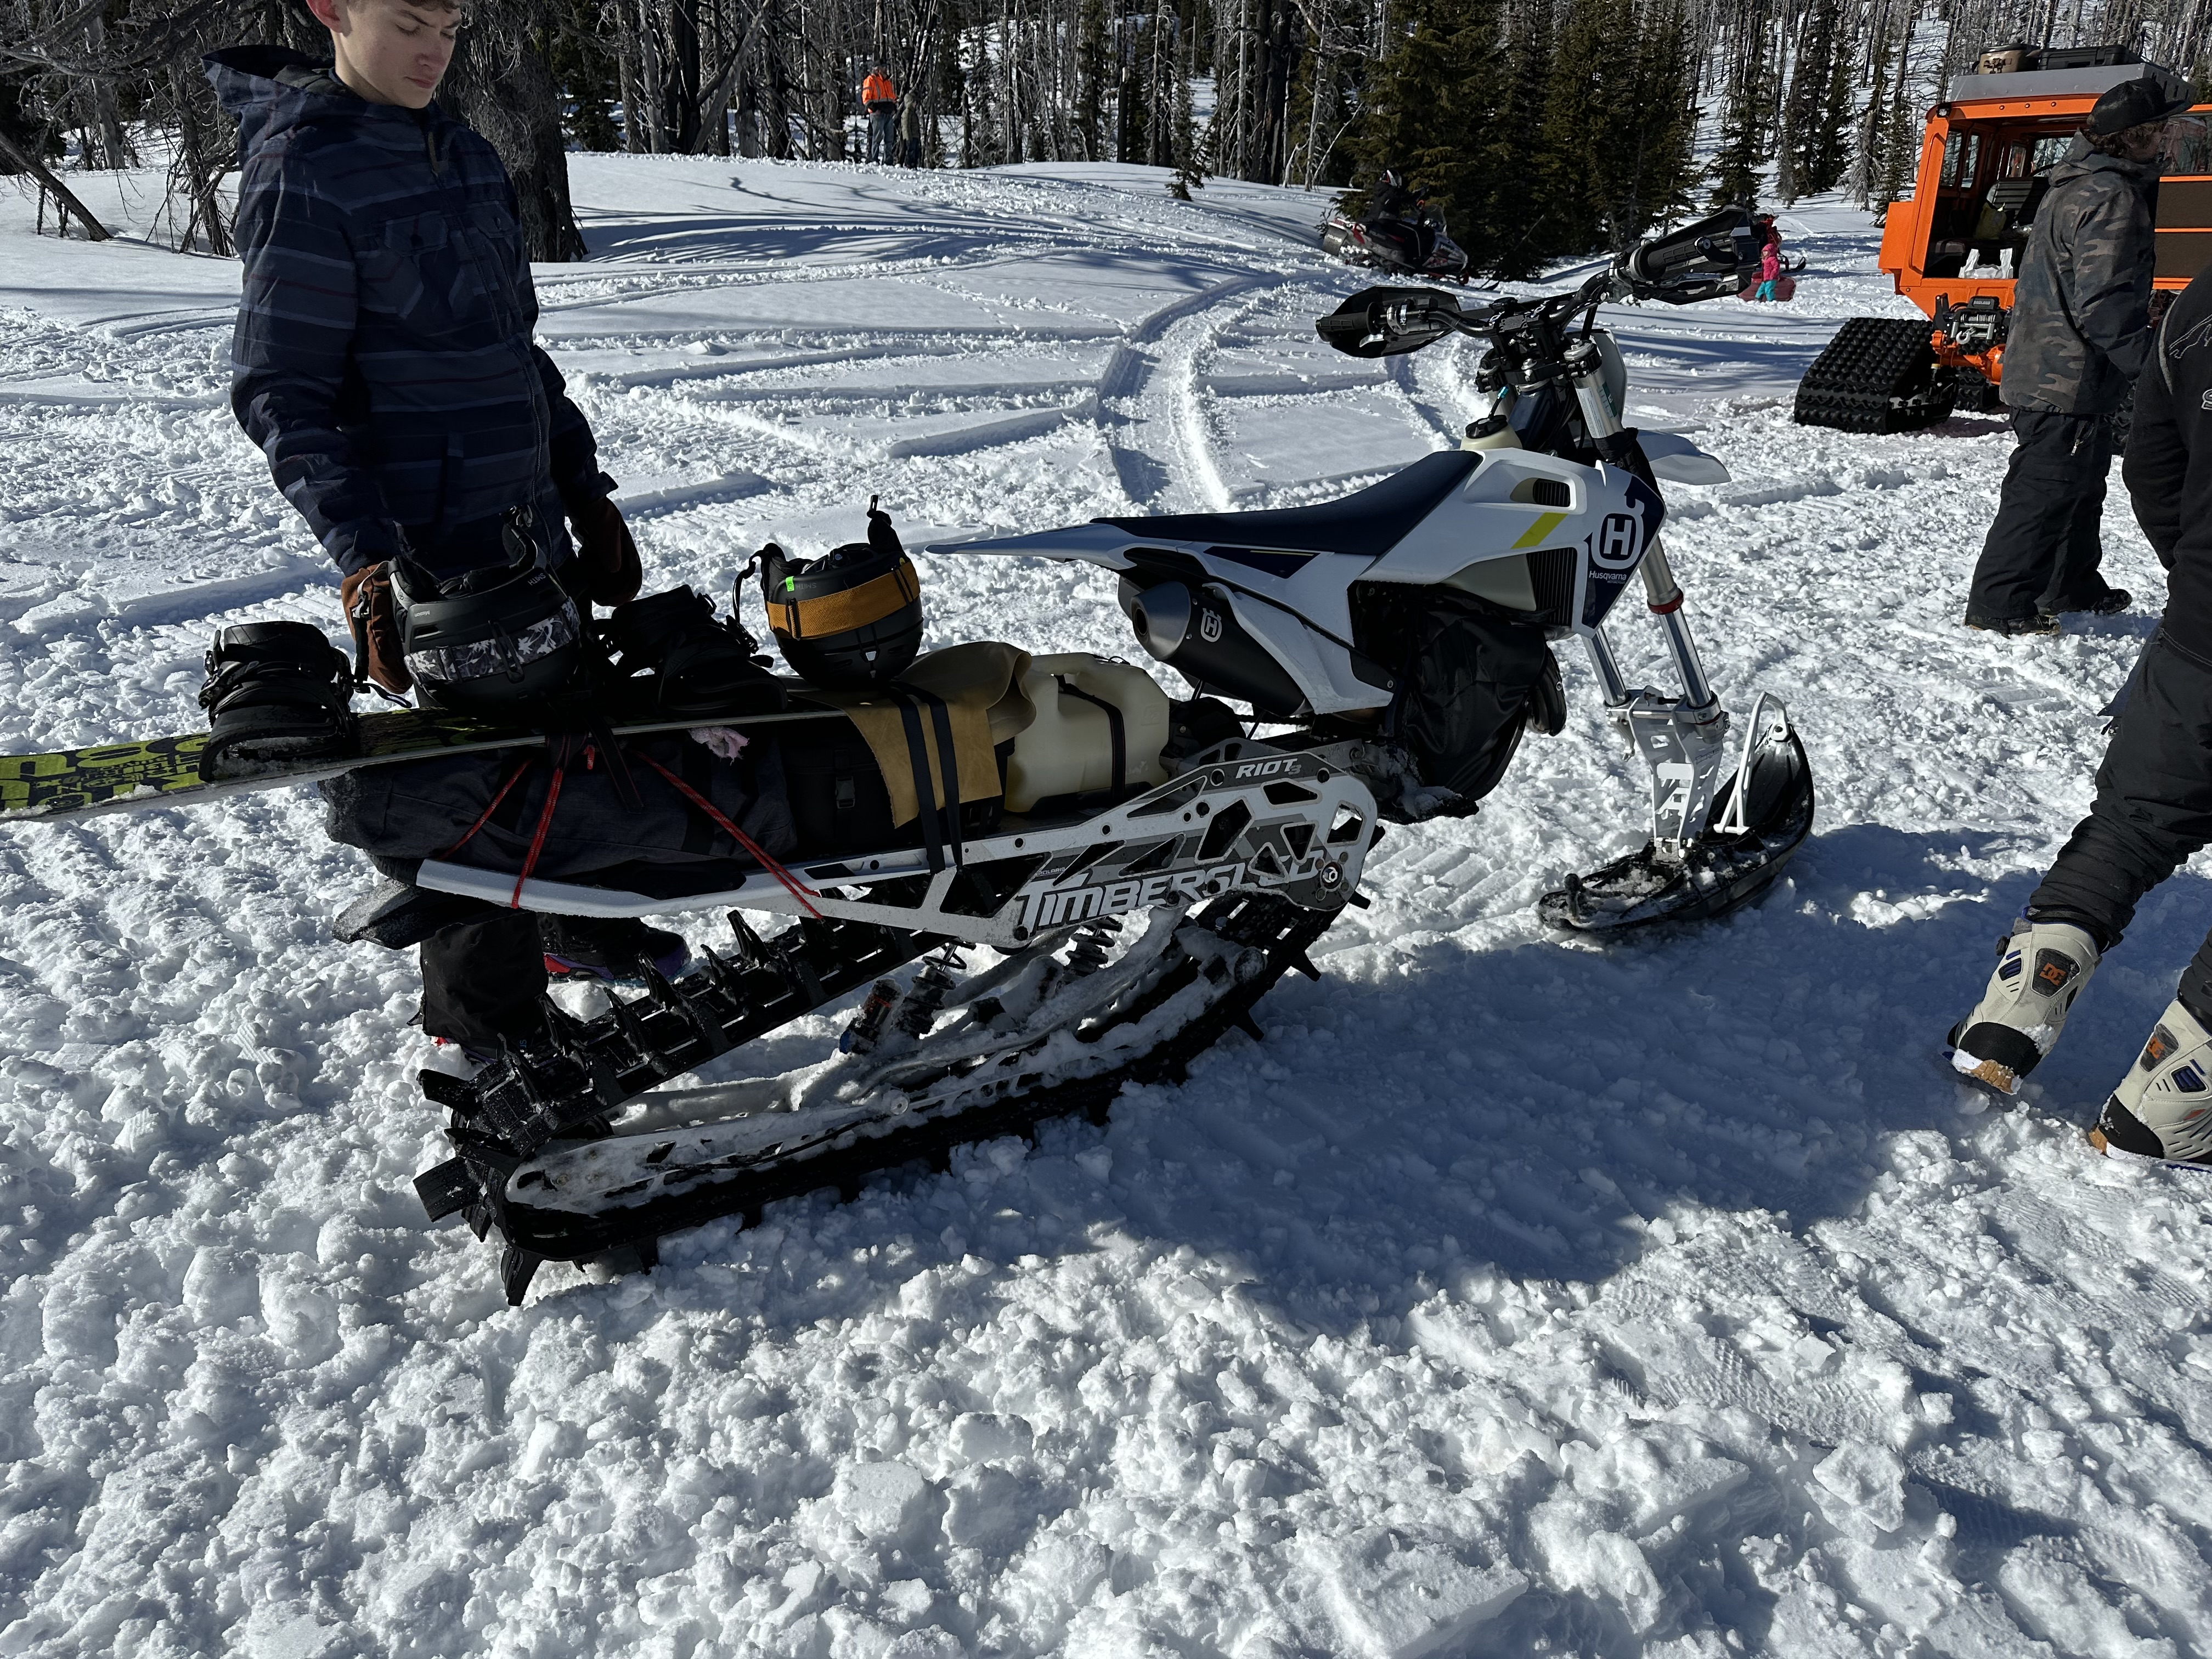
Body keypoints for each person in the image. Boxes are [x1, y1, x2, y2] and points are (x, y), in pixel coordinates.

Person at [205, 0, 672, 1055]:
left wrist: (582, 487)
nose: (435, 50)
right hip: (435, 553)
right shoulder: (304, 167)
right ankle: (487, 1046)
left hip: (529, 523)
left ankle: (572, 922)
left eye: (452, 27)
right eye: (410, 20)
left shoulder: (463, 151)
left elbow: (514, 349)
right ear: (332, 10)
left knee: (569, 735)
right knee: (476, 793)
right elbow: (282, 390)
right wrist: (366, 560)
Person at [1944, 254, 2212, 1169]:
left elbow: (2154, 462)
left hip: (2198, 641)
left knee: (2130, 826)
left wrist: (2198, 571)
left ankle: (2008, 1016)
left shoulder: (2201, 301)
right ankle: (2168, 1107)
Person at [1961, 76, 2194, 637]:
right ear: (2136, 136)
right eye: (2164, 131)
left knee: (2082, 481)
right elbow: (2104, 305)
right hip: (2063, 375)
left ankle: (2071, 584)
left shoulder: (2082, 183)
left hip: (2059, 367)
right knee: (2044, 488)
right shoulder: (2110, 195)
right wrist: (2156, 370)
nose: (2170, 142)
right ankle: (2000, 602)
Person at [862, 63, 897, 163]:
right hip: (878, 114)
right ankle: (874, 159)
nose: (885, 68)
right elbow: (866, 99)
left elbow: (892, 97)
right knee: (877, 138)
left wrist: (894, 108)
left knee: (889, 139)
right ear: (877, 69)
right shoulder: (870, 80)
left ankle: (888, 161)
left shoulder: (887, 82)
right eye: (883, 67)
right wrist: (874, 110)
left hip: (888, 114)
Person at [898, 92, 923, 167]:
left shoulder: (913, 113)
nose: (915, 104)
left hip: (915, 136)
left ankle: (914, 164)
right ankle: (909, 164)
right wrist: (908, 137)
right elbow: (906, 126)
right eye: (914, 102)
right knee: (911, 151)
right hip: (911, 136)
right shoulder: (907, 113)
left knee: (916, 151)